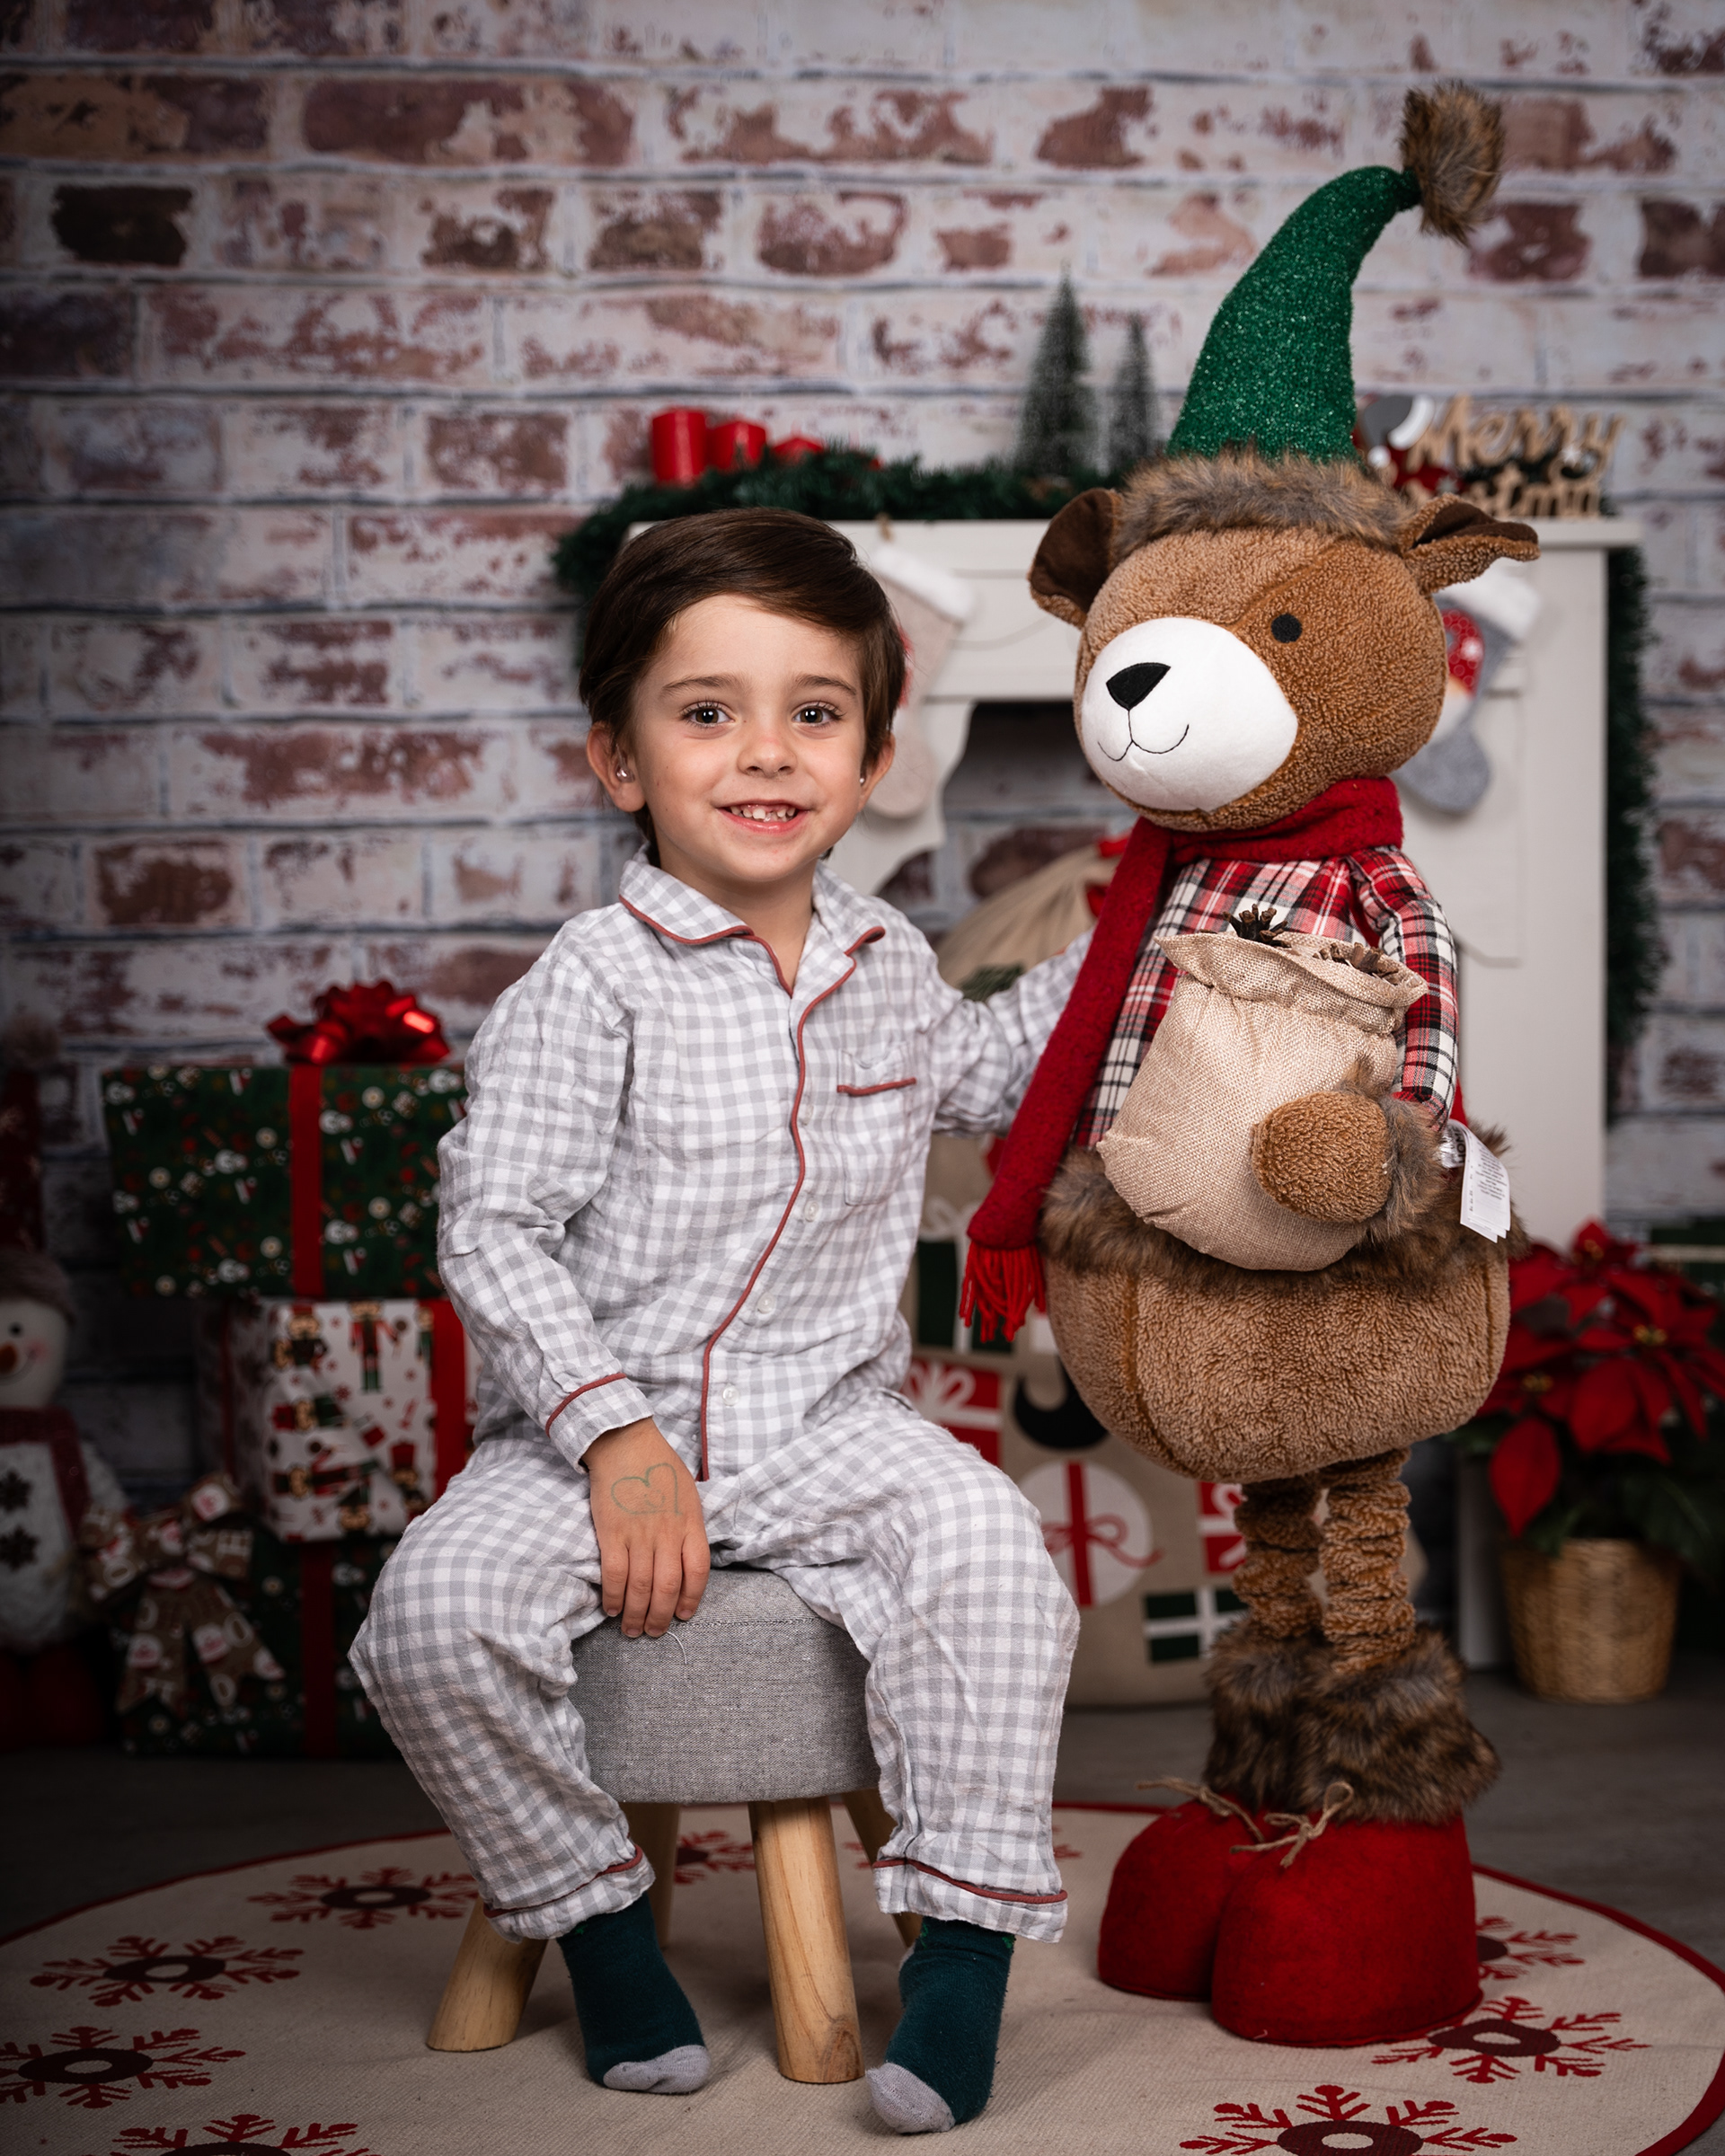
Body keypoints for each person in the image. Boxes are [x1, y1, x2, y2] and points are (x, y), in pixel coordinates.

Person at [352, 508, 1086, 2135]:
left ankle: (963, 1966)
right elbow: (494, 1226)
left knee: (993, 1558)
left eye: (814, 712)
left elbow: (995, 1072)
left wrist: (1143, 926)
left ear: (875, 757)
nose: (766, 751)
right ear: (620, 760)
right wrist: (612, 1436)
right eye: (707, 712)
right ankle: (604, 1931)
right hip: (599, 1432)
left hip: (823, 1424)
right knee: (430, 1618)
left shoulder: (889, 963)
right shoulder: (591, 983)